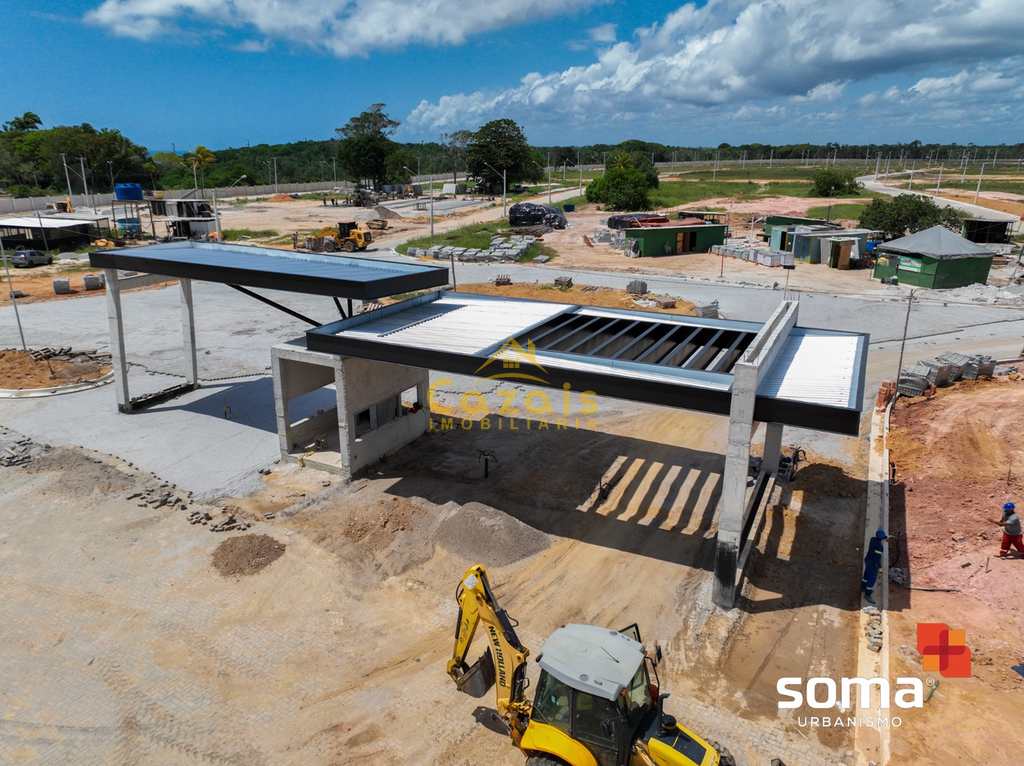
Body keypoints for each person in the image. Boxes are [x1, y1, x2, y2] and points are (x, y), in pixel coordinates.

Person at [861, 528, 887, 604]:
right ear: (881, 538)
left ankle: (863, 587)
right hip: (873, 564)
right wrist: (880, 568)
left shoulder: (873, 539)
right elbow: (877, 559)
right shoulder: (879, 547)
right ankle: (867, 594)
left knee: (866, 575)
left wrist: (885, 538)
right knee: (872, 579)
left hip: (867, 560)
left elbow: (879, 538)